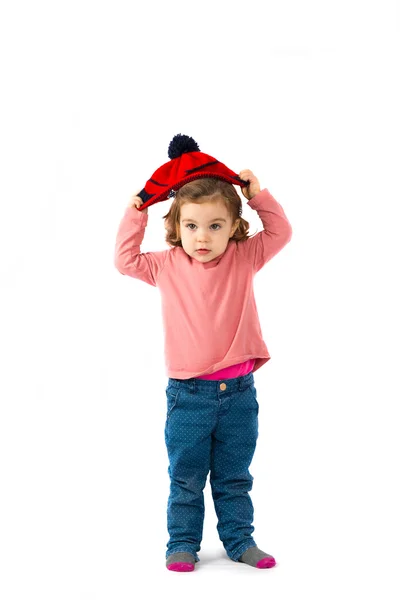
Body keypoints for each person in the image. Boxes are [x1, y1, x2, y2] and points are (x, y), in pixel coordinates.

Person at [114, 134, 292, 571]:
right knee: (187, 479)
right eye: (192, 226)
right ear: (176, 227)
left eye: (215, 225)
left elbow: (281, 231)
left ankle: (239, 540)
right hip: (188, 395)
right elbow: (123, 259)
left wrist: (257, 194)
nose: (203, 237)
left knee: (234, 477)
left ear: (234, 226)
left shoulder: (244, 257)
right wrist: (138, 208)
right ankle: (182, 544)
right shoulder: (166, 265)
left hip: (239, 395)